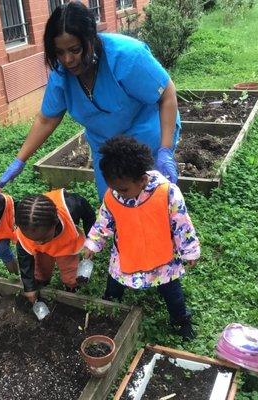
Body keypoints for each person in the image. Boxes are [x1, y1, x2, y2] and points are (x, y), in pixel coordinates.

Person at [0, 2, 180, 199]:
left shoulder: (127, 56)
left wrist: (165, 149)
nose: (67, 59)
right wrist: (19, 160)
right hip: (106, 146)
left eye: (75, 49)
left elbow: (166, 94)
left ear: (90, 40)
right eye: (59, 52)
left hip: (145, 139)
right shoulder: (61, 74)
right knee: (112, 202)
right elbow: (46, 119)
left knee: (151, 201)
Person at [83, 136, 200, 340]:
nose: (119, 193)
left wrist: (189, 251)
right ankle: (109, 309)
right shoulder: (112, 196)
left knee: (172, 292)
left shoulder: (167, 192)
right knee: (114, 286)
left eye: (124, 189)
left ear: (143, 180)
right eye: (113, 188)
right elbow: (104, 221)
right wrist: (93, 243)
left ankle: (181, 321)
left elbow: (182, 224)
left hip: (161, 257)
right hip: (126, 253)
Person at [15, 189, 95, 305]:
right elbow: (25, 260)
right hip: (43, 252)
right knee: (41, 270)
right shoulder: (26, 229)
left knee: (70, 274)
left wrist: (91, 240)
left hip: (67, 245)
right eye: (34, 239)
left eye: (43, 238)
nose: (38, 242)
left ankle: (71, 290)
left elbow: (89, 216)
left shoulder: (72, 207)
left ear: (55, 223)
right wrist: (29, 287)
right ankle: (42, 283)